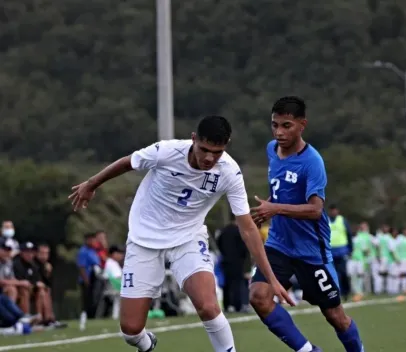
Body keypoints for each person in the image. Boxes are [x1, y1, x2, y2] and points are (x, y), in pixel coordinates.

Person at [69, 115, 292, 352]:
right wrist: (91, 184)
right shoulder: (166, 152)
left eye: (216, 152)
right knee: (130, 330)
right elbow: (128, 162)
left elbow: (247, 227)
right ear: (193, 139)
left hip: (188, 239)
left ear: (225, 146)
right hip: (144, 239)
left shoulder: (229, 172)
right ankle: (146, 344)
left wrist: (270, 276)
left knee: (208, 306)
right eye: (204, 149)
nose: (209, 158)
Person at [250, 96, 364, 352]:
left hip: (312, 251)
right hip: (279, 244)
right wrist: (270, 206)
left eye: (286, 125)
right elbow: (282, 191)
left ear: (302, 125)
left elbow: (315, 210)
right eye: (275, 125)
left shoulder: (312, 162)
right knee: (258, 296)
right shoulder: (272, 150)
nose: (279, 132)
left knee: (335, 316)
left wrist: (276, 208)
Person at [216, 214, 250, 313]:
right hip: (237, 261)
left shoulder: (223, 231)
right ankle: (237, 305)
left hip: (225, 260)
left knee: (226, 283)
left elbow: (219, 244)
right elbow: (244, 248)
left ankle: (227, 305)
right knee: (237, 283)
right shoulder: (239, 231)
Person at [327, 204, 353, 301]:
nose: (333, 212)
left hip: (342, 251)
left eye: (335, 210)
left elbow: (349, 234)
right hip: (330, 252)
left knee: (343, 273)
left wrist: (350, 249)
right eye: (331, 210)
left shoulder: (342, 220)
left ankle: (346, 293)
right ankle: (336, 293)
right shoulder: (326, 220)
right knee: (332, 274)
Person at [76, 233, 101, 319]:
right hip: (87, 278)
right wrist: (86, 280)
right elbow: (81, 267)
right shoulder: (83, 251)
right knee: (87, 299)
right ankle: (85, 316)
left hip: (94, 277)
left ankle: (92, 315)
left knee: (94, 298)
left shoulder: (93, 251)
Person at [395, 228, 406, 294]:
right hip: (401, 259)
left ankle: (404, 288)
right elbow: (396, 248)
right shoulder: (400, 238)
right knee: (400, 274)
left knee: (405, 274)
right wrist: (397, 258)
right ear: (404, 231)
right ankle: (397, 288)